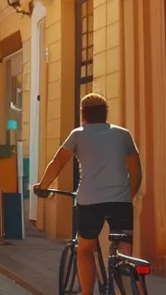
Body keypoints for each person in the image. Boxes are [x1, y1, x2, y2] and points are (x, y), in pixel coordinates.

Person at [32, 93, 142, 295]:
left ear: (83, 114)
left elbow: (58, 163)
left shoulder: (78, 134)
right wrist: (128, 195)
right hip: (121, 202)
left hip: (90, 202)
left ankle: (87, 293)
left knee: (84, 249)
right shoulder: (123, 134)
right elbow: (136, 172)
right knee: (125, 251)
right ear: (105, 114)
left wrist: (43, 185)